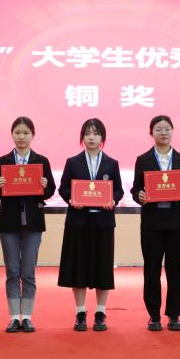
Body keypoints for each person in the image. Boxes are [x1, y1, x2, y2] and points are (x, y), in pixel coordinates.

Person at [0, 117, 56, 333]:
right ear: (12, 134)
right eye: (17, 132)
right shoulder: (2, 161)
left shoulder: (41, 161)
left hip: (33, 223)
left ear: (32, 135)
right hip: (9, 222)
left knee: (28, 272)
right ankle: (13, 317)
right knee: (12, 271)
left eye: (26, 133)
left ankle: (26, 316)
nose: (21, 137)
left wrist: (45, 185)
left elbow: (50, 190)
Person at [57, 118, 124, 331]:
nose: (91, 137)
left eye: (95, 133)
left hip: (103, 222)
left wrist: (113, 200)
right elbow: (63, 188)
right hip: (78, 222)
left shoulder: (112, 163)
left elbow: (118, 190)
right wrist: (71, 199)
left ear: (102, 137)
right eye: (87, 134)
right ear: (82, 138)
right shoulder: (72, 162)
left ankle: (101, 312)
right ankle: (80, 312)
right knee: (78, 266)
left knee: (103, 266)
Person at [131, 115, 180, 331]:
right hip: (152, 223)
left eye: (167, 128)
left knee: (176, 270)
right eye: (158, 129)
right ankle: (154, 315)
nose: (163, 133)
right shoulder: (143, 159)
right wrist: (139, 196)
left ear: (173, 131)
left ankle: (174, 315)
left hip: (177, 224)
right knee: (152, 270)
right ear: (151, 133)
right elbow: (135, 189)